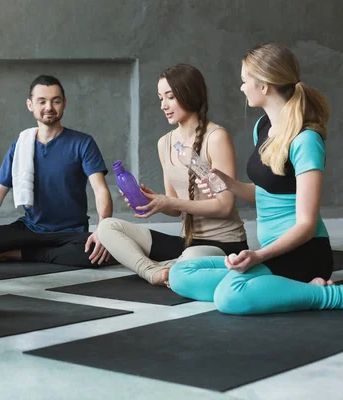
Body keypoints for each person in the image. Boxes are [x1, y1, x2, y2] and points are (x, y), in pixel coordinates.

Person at [169, 43, 341, 315]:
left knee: (229, 297)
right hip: (270, 254)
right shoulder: (262, 128)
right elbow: (266, 192)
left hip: (302, 254)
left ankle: (328, 294)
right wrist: (230, 184)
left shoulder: (306, 140)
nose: (241, 87)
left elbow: (307, 225)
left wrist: (258, 256)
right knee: (180, 274)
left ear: (264, 86)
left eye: (244, 80)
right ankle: (277, 287)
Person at [96, 64, 248, 286]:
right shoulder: (165, 143)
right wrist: (154, 202)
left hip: (224, 244)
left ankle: (172, 267)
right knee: (107, 227)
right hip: (187, 241)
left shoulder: (216, 137)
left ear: (188, 94)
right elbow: (175, 208)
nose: (163, 105)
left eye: (170, 97)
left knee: (190, 258)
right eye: (160, 98)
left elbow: (224, 206)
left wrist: (169, 201)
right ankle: (155, 272)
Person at [0, 75, 116, 267]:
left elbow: (100, 189)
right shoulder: (21, 145)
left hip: (71, 233)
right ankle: (40, 252)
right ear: (30, 105)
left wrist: (102, 230)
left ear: (64, 104)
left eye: (55, 101)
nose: (49, 107)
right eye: (42, 101)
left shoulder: (83, 143)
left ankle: (23, 254)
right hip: (29, 229)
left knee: (97, 254)